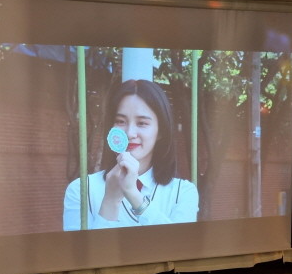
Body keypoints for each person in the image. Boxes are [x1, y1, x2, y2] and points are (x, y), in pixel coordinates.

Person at [63, 79, 199, 231]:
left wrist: (133, 195)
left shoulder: (183, 192)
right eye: (120, 121)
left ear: (161, 131)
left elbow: (179, 244)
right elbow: (80, 247)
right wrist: (110, 200)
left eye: (142, 123)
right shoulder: (81, 190)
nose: (129, 133)